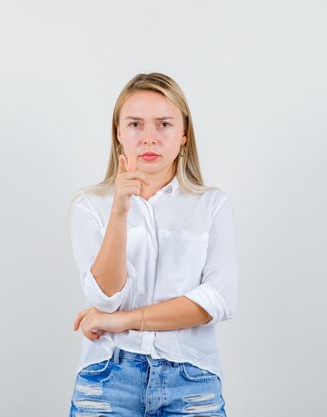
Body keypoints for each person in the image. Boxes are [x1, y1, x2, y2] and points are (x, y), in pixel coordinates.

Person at [66, 72, 238, 417]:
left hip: (191, 379)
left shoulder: (211, 204)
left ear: (184, 134)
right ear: (118, 133)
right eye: (135, 124)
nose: (149, 138)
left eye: (163, 124)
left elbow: (217, 301)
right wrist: (119, 210)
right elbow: (104, 298)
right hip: (108, 379)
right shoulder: (89, 205)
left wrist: (121, 321)